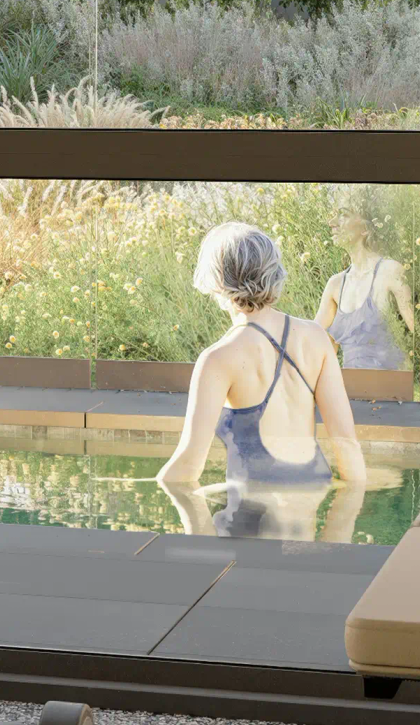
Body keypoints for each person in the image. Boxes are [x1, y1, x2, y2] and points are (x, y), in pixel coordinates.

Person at [154, 221, 367, 541]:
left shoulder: (218, 358)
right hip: (303, 527)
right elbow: (347, 445)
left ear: (216, 282)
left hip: (245, 539)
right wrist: (338, 541)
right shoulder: (316, 338)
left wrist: (152, 490)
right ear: (273, 271)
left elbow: (187, 467)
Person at [316, 206, 420, 393]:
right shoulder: (335, 285)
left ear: (366, 228)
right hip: (349, 399)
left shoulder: (391, 272)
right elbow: (317, 347)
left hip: (391, 399)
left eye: (343, 215)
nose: (332, 223)